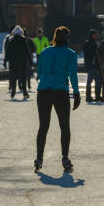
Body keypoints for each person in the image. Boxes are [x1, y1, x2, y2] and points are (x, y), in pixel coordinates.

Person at [34, 26, 81, 173]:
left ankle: (39, 158)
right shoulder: (71, 54)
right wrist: (77, 93)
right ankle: (65, 158)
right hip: (60, 91)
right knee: (64, 126)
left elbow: (39, 73)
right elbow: (73, 75)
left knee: (43, 126)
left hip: (43, 91)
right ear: (67, 38)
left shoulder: (45, 52)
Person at [4, 26, 31, 100]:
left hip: (13, 62)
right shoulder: (23, 40)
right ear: (21, 33)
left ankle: (13, 92)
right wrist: (30, 60)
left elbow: (8, 52)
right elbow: (27, 51)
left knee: (14, 77)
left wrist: (5, 61)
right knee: (23, 77)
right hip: (22, 61)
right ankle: (25, 93)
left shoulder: (11, 41)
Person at [83, 29, 103, 102]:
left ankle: (97, 96)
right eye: (95, 34)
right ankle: (88, 97)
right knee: (90, 81)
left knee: (98, 81)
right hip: (91, 65)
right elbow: (87, 54)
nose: (96, 36)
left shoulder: (96, 43)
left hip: (97, 65)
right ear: (92, 35)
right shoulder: (88, 43)